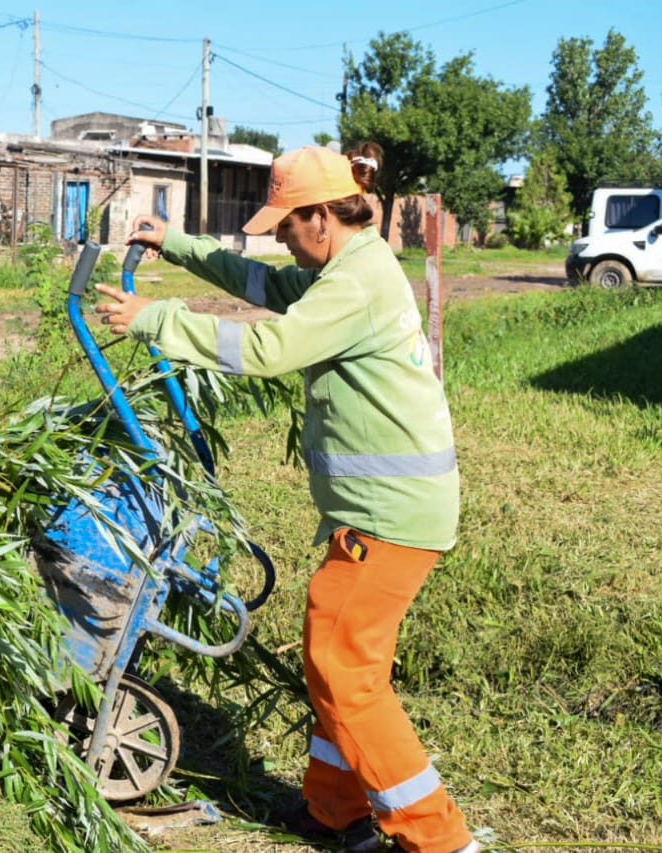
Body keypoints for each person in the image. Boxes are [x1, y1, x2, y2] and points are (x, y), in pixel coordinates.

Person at [93, 143, 478, 853]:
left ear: (324, 216)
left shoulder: (354, 285)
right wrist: (175, 243)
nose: (278, 238)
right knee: (341, 663)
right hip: (387, 510)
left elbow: (269, 349)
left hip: (390, 517)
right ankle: (335, 811)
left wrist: (156, 320)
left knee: (343, 669)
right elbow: (261, 285)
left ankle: (440, 840)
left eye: (285, 226)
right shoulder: (347, 268)